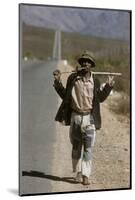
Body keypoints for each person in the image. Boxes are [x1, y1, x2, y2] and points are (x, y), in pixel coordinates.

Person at [53, 50, 115, 185]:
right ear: (80, 64)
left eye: (88, 62)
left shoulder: (96, 81)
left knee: (88, 148)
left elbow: (101, 98)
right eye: (83, 61)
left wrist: (109, 86)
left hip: (89, 119)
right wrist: (58, 83)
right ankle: (78, 172)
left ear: (91, 65)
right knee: (76, 147)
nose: (85, 63)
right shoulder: (72, 78)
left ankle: (86, 175)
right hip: (75, 117)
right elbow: (66, 96)